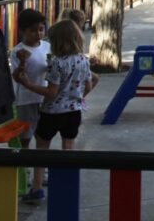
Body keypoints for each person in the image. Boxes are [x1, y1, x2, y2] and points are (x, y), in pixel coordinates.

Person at [13, 19, 96, 203]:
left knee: (42, 151)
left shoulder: (58, 63)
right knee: (68, 148)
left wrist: (28, 84)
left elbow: (51, 92)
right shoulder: (84, 60)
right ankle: (67, 186)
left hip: (52, 113)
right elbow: (89, 85)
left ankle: (36, 189)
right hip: (74, 112)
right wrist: (76, 97)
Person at [9, 9, 50, 185]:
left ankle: (41, 173)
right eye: (33, 30)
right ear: (22, 31)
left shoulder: (47, 47)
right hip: (26, 100)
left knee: (43, 138)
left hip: (45, 98)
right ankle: (23, 171)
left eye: (41, 29)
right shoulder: (17, 51)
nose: (38, 34)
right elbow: (16, 77)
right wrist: (22, 64)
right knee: (25, 137)